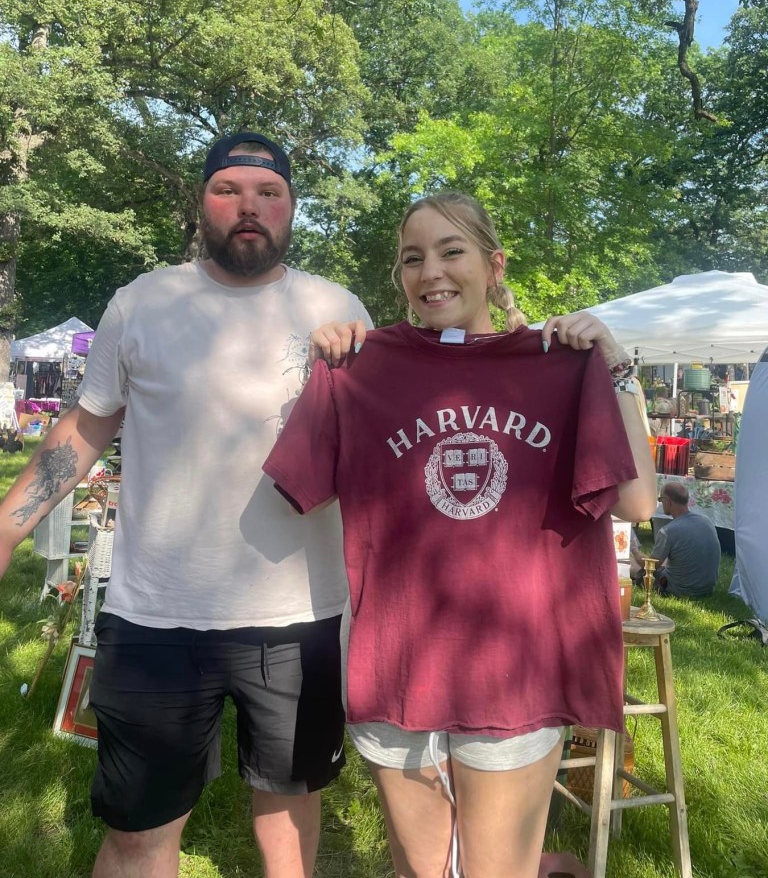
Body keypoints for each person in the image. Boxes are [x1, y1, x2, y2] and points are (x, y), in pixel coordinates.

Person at [0, 132, 372, 878]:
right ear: (202, 202)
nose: (248, 206)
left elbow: (386, 445)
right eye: (228, 190)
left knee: (289, 827)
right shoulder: (143, 302)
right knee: (138, 834)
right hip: (157, 614)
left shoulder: (337, 309)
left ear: (291, 207)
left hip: (299, 613)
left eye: (268, 193)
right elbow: (87, 426)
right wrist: (7, 530)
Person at [263, 192, 657, 878]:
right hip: (398, 668)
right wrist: (321, 370)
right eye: (412, 258)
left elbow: (637, 502)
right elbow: (299, 493)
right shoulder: (361, 366)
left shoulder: (560, 362)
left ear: (494, 265)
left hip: (518, 673)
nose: (431, 272)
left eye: (452, 252)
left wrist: (614, 365)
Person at [651, 481, 721, 597]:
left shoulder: (668, 531)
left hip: (679, 589)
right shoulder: (707, 521)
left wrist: (634, 551)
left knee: (635, 568)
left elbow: (651, 565)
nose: (661, 503)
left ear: (667, 501)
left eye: (661, 500)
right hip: (707, 590)